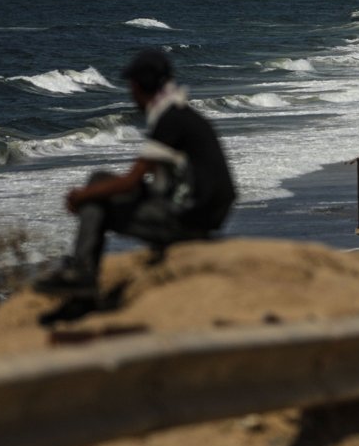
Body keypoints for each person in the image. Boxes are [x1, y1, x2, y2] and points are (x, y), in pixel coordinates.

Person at [35, 48, 236, 296]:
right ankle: (87, 271)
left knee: (98, 199)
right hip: (203, 214)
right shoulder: (182, 113)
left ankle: (83, 273)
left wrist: (82, 196)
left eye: (132, 87)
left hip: (187, 222)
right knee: (101, 182)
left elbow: (131, 181)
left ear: (140, 86)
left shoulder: (169, 121)